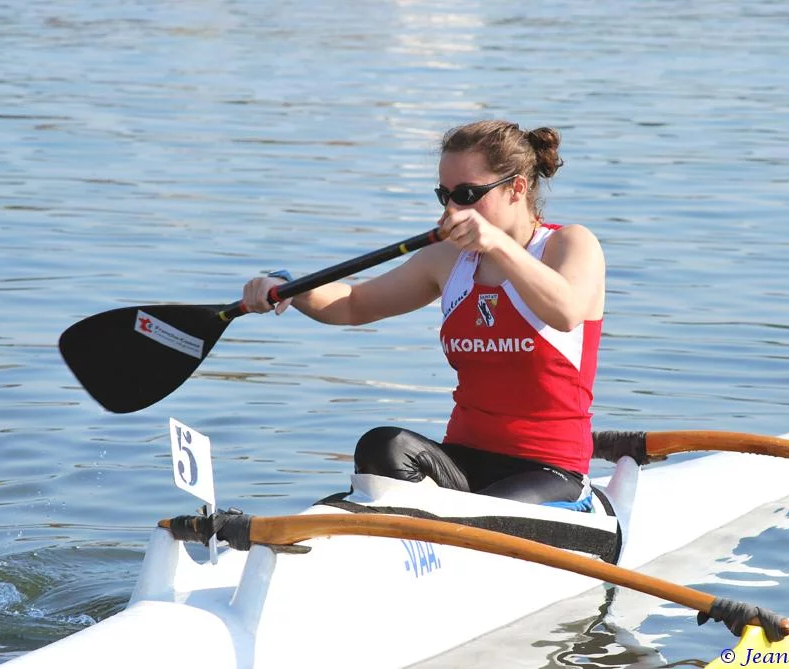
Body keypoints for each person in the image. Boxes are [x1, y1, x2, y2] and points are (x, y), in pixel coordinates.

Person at [242, 120, 605, 505]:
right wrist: (288, 288)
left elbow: (565, 311)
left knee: (487, 511)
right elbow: (353, 304)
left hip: (549, 470)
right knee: (382, 445)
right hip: (463, 461)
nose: (452, 209)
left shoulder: (569, 244)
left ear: (517, 188)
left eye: (467, 194)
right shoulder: (447, 259)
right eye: (444, 195)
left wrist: (498, 245)